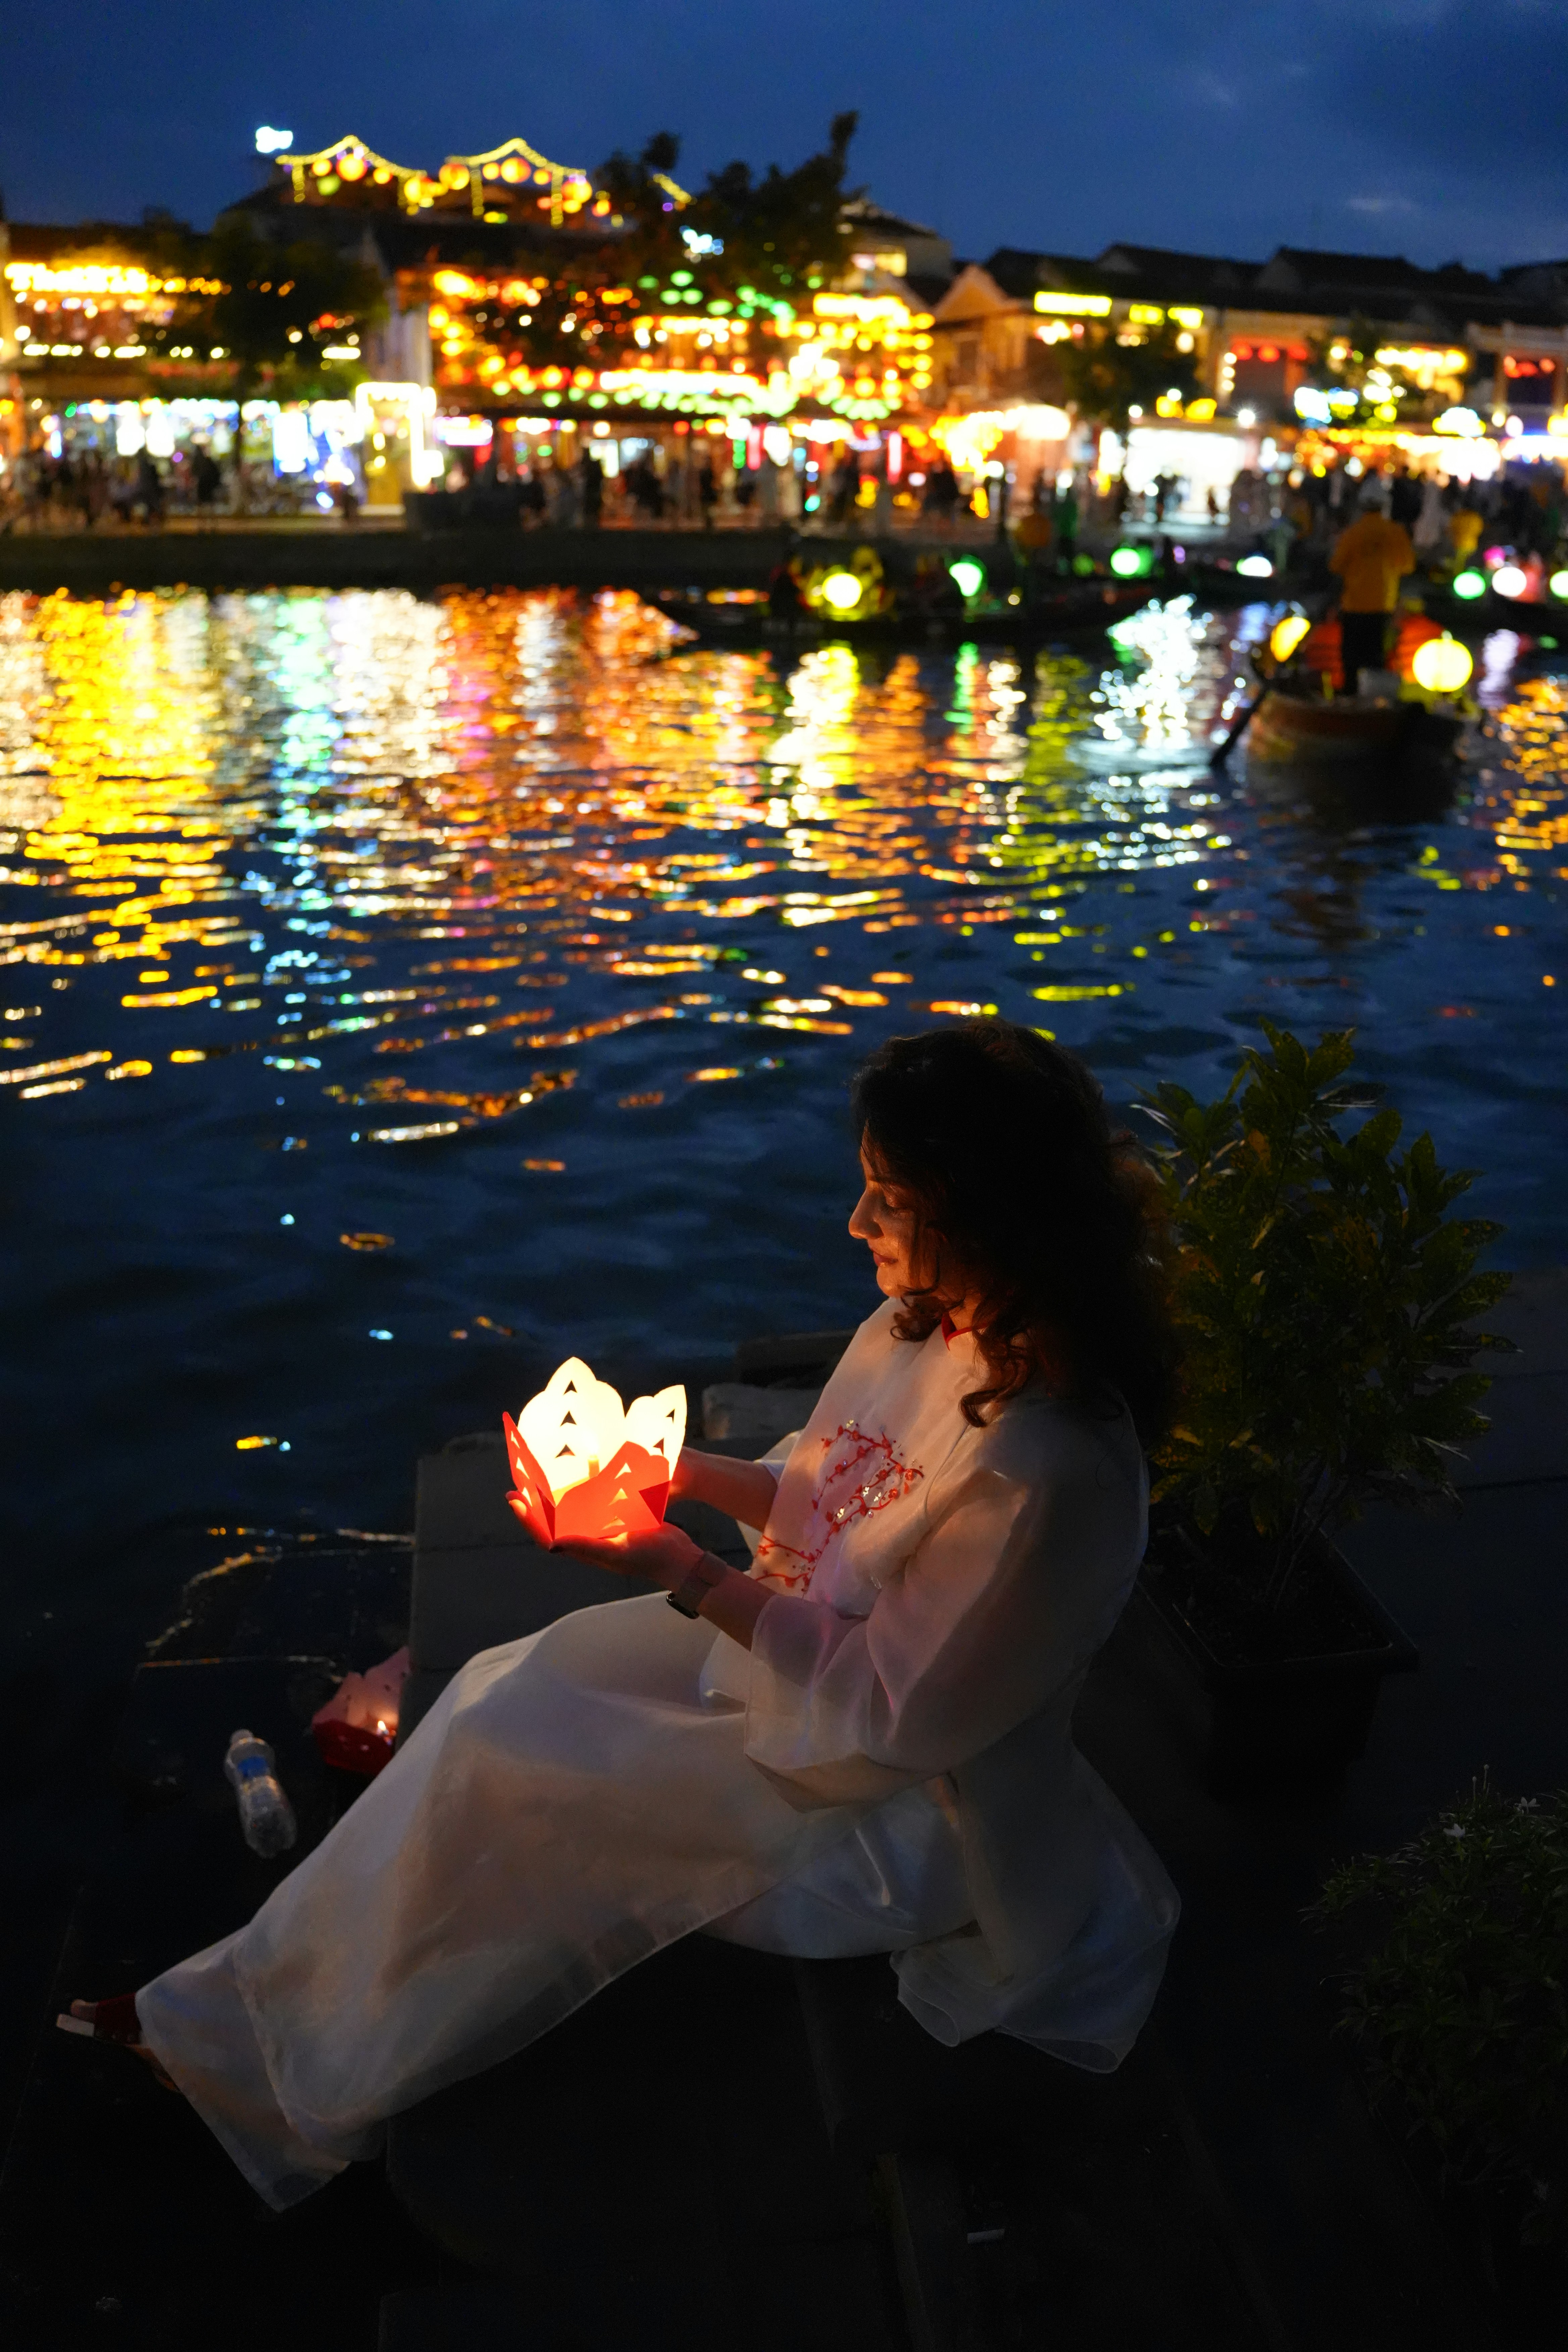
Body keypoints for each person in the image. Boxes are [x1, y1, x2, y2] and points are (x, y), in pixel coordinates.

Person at [67, 1021, 1181, 2213]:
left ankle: (293, 2075)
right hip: (783, 1699)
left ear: (991, 1215)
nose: (855, 1226)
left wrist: (668, 1562)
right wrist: (669, 1471)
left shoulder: (1040, 1476)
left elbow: (884, 1715)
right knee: (500, 1695)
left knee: (519, 1783)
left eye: (888, 1200)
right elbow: (832, 1489)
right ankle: (238, 2009)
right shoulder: (941, 1329)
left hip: (889, 1824)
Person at [1330, 491, 1416, 694]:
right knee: (1376, 657)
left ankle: (1350, 696)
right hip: (1383, 604)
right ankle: (1372, 699)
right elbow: (1408, 566)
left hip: (1354, 605)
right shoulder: (1395, 533)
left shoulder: (1352, 533)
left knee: (1351, 658)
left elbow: (1336, 566)